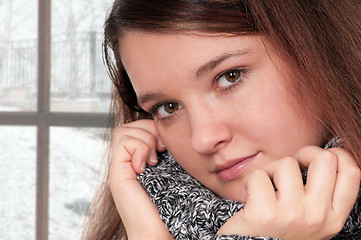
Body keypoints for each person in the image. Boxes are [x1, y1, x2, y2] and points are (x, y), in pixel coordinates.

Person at [81, 0, 361, 239]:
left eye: (230, 76)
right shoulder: (156, 215)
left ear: (317, 51)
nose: (202, 139)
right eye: (168, 107)